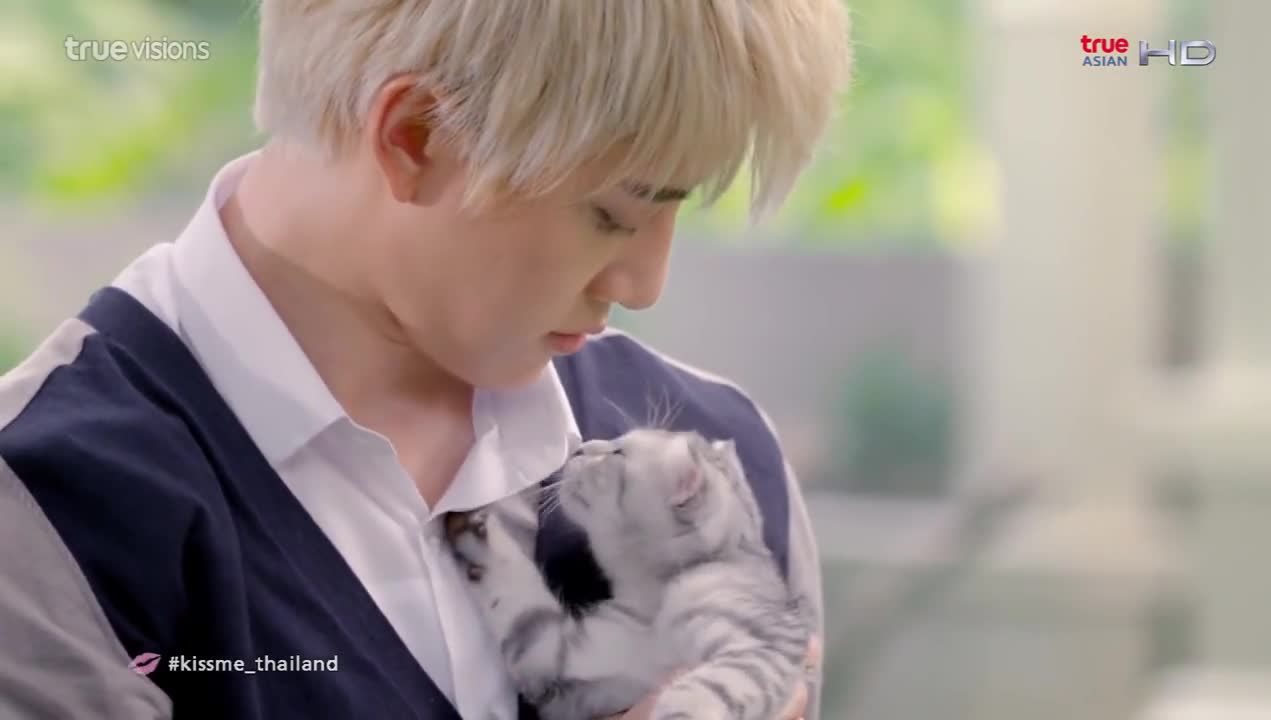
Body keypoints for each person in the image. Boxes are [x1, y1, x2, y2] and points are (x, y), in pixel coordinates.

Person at [0, 1, 851, 718]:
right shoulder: (47, 509)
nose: (644, 284)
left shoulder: (718, 455)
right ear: (415, 135)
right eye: (614, 216)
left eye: (681, 207)